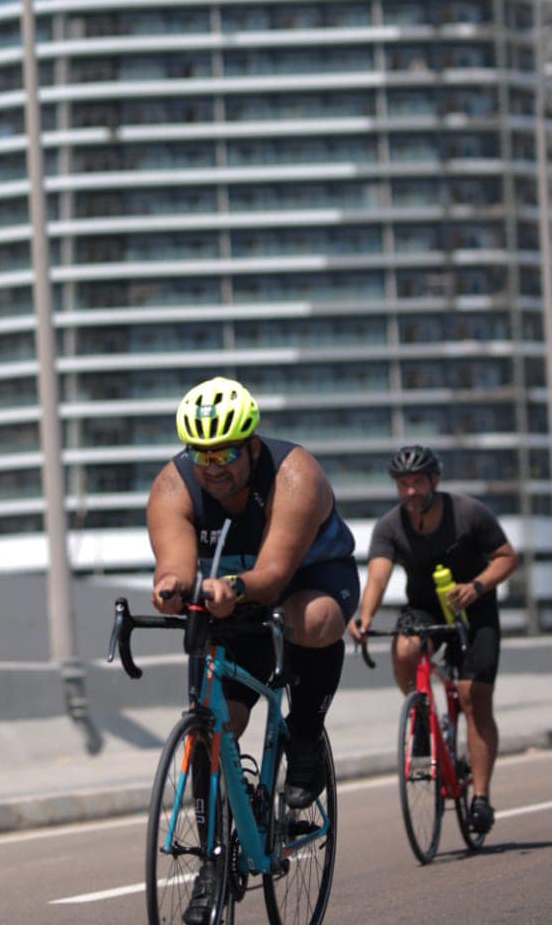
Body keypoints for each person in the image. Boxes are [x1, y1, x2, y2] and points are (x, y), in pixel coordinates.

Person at [148, 376, 359, 925]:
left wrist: (233, 588)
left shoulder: (296, 475)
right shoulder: (172, 487)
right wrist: (171, 587)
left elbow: (272, 575)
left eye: (225, 453)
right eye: (201, 454)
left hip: (304, 582)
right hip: (230, 602)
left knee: (311, 620)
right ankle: (213, 863)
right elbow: (174, 566)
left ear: (254, 446)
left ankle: (305, 736)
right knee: (213, 727)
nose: (213, 466)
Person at [347, 444, 517, 835]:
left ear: (434, 480)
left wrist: (476, 586)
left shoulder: (469, 513)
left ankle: (480, 798)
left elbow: (508, 558)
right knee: (405, 647)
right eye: (403, 484)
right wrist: (365, 617)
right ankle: (421, 716)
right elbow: (377, 576)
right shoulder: (390, 526)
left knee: (473, 696)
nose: (410, 491)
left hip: (474, 608)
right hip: (425, 609)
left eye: (418, 482)